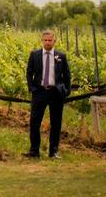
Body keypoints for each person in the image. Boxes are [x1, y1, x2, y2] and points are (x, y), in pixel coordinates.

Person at [26, 29, 71, 159]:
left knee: (56, 123)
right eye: (45, 40)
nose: (47, 42)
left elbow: (67, 75)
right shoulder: (34, 55)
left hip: (56, 93)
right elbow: (29, 73)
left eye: (50, 40)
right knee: (35, 122)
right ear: (42, 41)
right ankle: (34, 151)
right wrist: (32, 88)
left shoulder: (61, 56)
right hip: (39, 92)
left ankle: (54, 151)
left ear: (54, 41)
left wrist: (66, 91)